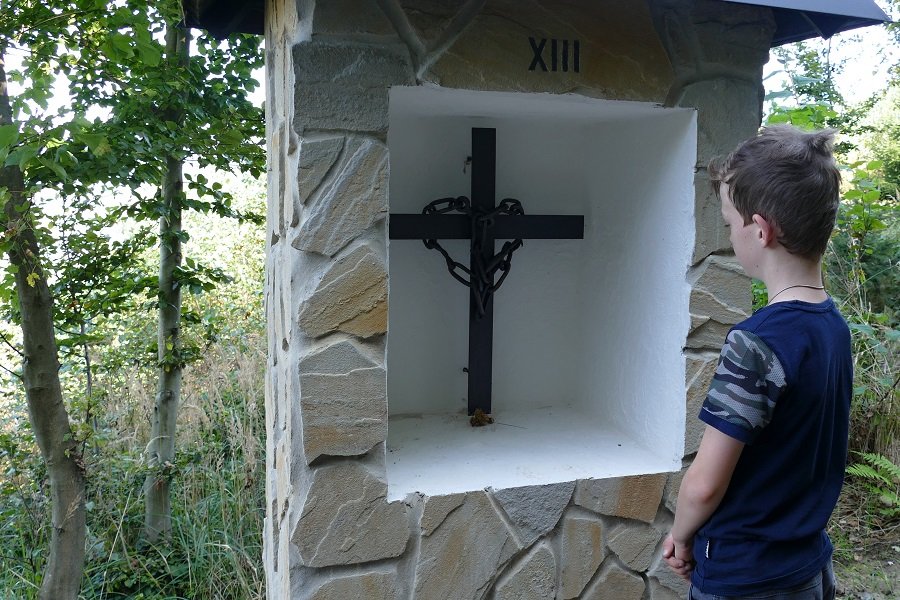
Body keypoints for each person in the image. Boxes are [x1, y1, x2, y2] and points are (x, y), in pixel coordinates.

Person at [663, 125, 852, 599]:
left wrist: (680, 537)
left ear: (761, 230)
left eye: (730, 223)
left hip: (745, 576)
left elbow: (705, 484)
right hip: (807, 565)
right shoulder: (834, 327)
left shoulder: (756, 343)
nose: (730, 235)